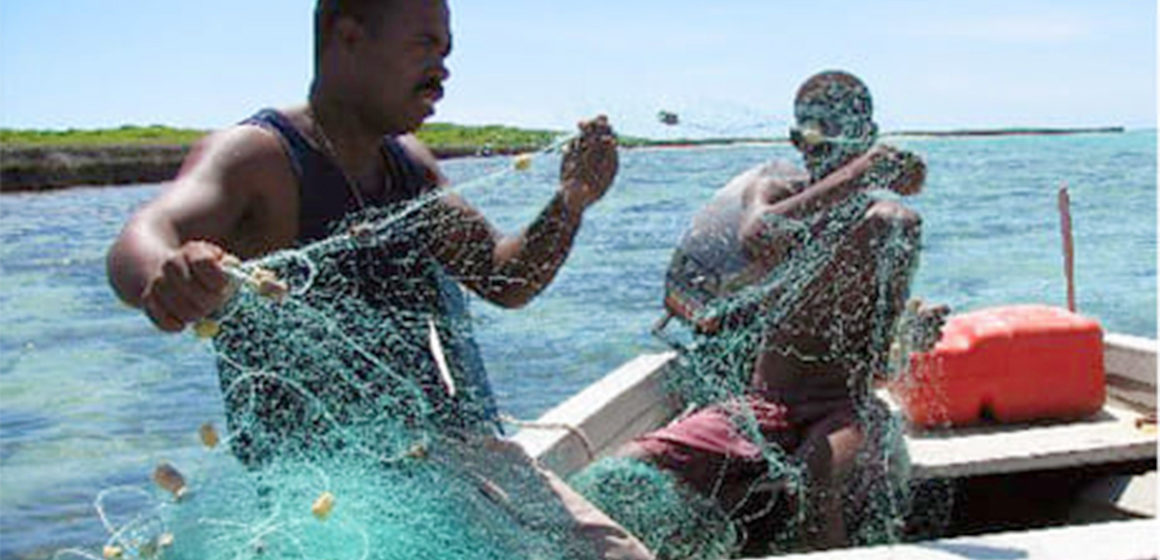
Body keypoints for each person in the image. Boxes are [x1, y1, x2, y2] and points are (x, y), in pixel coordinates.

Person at [106, 1, 653, 558]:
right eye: (424, 46)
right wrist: (168, 274)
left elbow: (504, 277)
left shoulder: (408, 165)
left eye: (446, 53)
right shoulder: (259, 157)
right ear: (348, 38)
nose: (442, 72)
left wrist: (571, 200)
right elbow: (143, 235)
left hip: (449, 461)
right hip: (323, 498)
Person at [616, 71, 946, 552]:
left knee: (820, 485)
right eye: (807, 132)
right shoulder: (771, 192)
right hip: (761, 407)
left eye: (832, 128)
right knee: (630, 467)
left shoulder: (892, 227)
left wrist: (909, 336)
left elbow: (878, 363)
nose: (817, 144)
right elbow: (758, 236)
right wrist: (859, 174)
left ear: (868, 136)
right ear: (795, 140)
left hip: (842, 408)